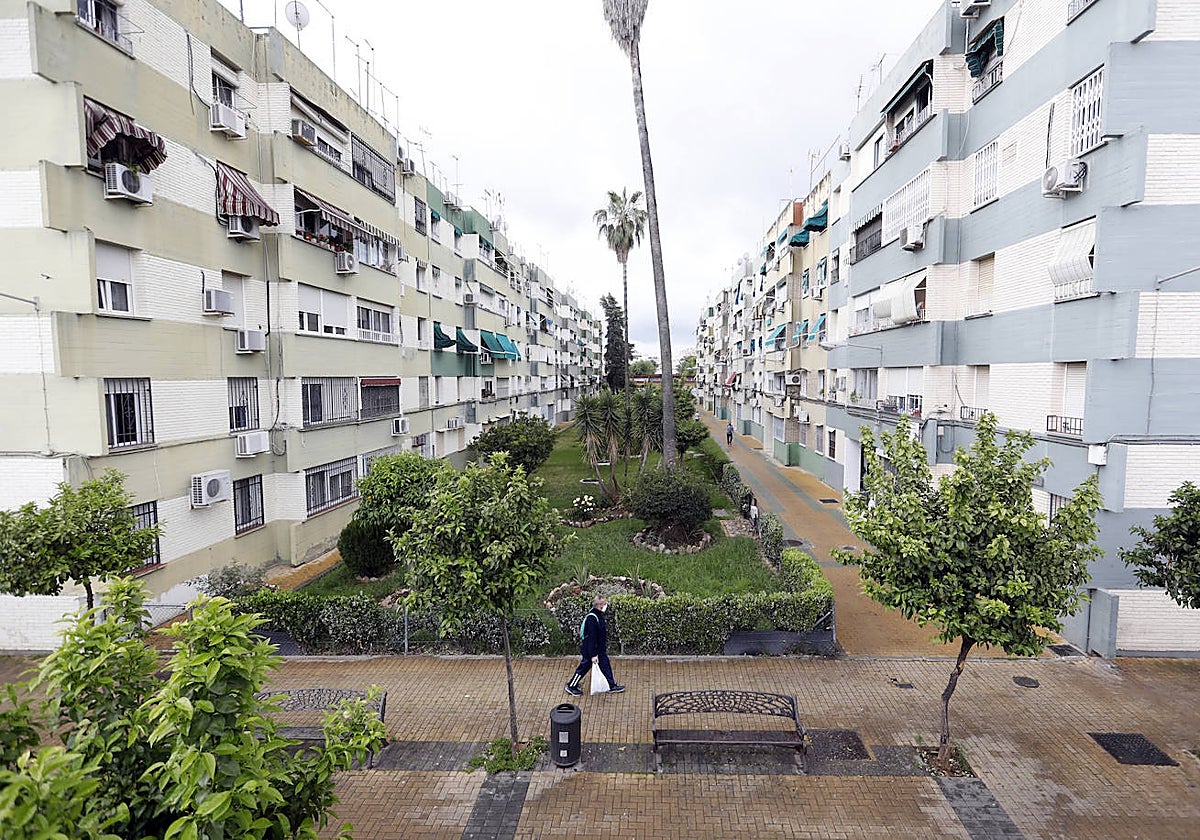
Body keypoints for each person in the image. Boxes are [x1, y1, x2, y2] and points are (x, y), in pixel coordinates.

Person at [565, 595, 624, 696]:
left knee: (605, 665)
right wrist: (593, 655)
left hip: (599, 650)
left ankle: (611, 685)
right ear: (599, 605)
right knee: (583, 667)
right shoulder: (592, 619)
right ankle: (571, 686)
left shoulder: (597, 614)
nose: (606, 605)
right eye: (605, 603)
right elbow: (591, 639)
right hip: (591, 650)